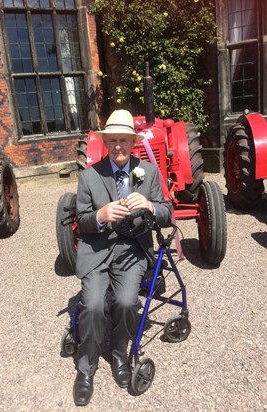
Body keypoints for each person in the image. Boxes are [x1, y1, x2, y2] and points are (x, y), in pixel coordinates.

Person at [73, 109, 172, 406]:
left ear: (132, 142)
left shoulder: (149, 172)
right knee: (91, 306)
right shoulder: (89, 176)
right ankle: (85, 370)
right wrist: (100, 216)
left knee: (128, 302)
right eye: (113, 140)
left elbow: (167, 213)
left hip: (131, 250)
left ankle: (119, 355)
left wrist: (151, 207)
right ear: (105, 143)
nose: (118, 146)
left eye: (123, 140)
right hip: (98, 250)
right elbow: (79, 220)